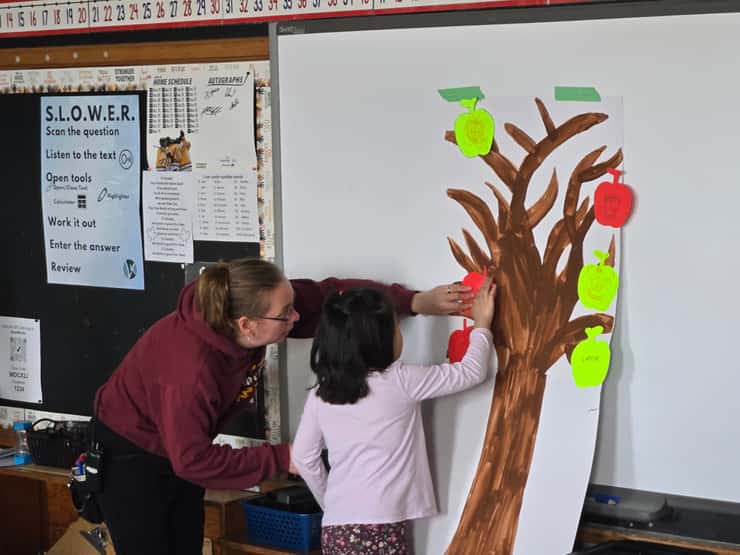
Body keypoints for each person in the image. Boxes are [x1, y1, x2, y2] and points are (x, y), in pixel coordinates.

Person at [92, 258, 473, 555]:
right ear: (247, 325)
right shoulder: (190, 371)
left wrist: (415, 302)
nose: (297, 318)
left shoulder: (256, 306)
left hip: (178, 448)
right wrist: (282, 457)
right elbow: (192, 461)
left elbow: (334, 298)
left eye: (292, 307)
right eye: (285, 314)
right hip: (133, 457)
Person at [291, 279, 497, 554]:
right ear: (380, 341)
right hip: (381, 525)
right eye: (397, 328)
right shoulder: (401, 381)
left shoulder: (321, 393)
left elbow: (304, 456)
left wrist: (331, 501)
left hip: (336, 529)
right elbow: (471, 372)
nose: (401, 334)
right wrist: (482, 324)